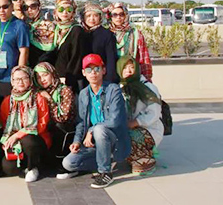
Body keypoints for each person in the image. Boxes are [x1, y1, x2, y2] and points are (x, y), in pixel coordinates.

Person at [60, 54, 130, 189]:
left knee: (99, 129)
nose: (93, 73)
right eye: (88, 70)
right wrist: (76, 141)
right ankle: (105, 160)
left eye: (96, 69)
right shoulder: (83, 94)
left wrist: (91, 130)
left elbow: (114, 121)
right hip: (94, 144)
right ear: (83, 73)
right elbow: (81, 122)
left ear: (103, 70)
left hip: (114, 140)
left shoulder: (113, 90)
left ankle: (105, 172)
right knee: (68, 163)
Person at [0, 66, 50, 183]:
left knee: (28, 140)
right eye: (17, 79)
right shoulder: (8, 101)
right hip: (16, 142)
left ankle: (33, 167)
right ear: (12, 82)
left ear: (30, 79)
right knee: (8, 168)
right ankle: (25, 165)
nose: (20, 82)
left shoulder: (38, 98)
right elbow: (4, 123)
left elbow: (42, 124)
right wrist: (9, 139)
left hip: (37, 139)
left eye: (24, 78)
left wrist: (19, 134)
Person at [116, 56, 162, 175]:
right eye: (125, 68)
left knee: (132, 136)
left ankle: (147, 160)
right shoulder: (119, 88)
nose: (128, 71)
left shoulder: (147, 87)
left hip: (149, 128)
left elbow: (154, 112)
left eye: (132, 67)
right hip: (129, 126)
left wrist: (136, 122)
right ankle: (133, 156)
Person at [0, 0, 29, 105]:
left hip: (11, 80)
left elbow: (24, 52)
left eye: (5, 6)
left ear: (11, 6)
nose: (1, 10)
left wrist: (19, 77)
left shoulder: (19, 25)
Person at [33, 62, 76, 168]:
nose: (42, 79)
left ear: (52, 74)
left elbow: (63, 117)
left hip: (63, 129)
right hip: (45, 128)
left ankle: (61, 161)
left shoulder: (64, 90)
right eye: (38, 77)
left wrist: (49, 99)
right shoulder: (37, 92)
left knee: (57, 126)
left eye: (45, 75)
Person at [108, 2, 153, 81]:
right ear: (110, 16)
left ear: (126, 15)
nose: (118, 17)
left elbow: (144, 58)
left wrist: (147, 78)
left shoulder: (135, 33)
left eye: (121, 14)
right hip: (112, 77)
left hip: (132, 75)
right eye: (115, 15)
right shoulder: (106, 34)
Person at [53, 0, 88, 94]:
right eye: (61, 9)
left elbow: (76, 56)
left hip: (70, 79)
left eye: (69, 10)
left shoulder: (76, 30)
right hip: (54, 77)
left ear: (73, 12)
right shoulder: (54, 29)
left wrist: (67, 77)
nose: (65, 12)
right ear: (56, 11)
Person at [82, 2, 118, 84]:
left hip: (102, 77)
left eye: (95, 15)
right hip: (84, 78)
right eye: (88, 16)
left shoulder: (107, 34)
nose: (92, 19)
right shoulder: (80, 33)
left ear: (100, 17)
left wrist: (109, 81)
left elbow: (111, 59)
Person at [22, 0, 56, 68]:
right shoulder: (22, 26)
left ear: (39, 7)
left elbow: (50, 48)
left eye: (33, 6)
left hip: (45, 66)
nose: (29, 10)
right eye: (25, 7)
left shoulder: (48, 25)